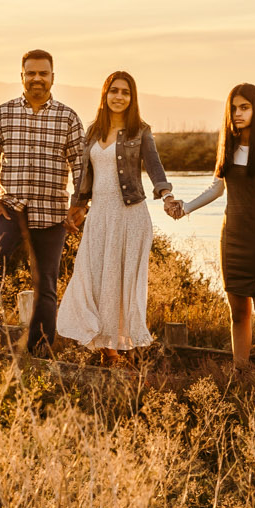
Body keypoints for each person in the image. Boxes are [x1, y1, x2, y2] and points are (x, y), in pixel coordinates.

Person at [166, 84, 255, 372]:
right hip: (232, 239)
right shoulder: (228, 145)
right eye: (234, 108)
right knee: (238, 313)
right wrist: (185, 209)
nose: (238, 113)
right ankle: (241, 374)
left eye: (244, 107)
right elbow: (216, 188)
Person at [58, 70, 173, 363]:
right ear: (105, 94)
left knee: (124, 282)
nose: (119, 97)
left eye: (125, 92)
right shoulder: (93, 131)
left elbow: (155, 167)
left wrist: (167, 196)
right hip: (100, 216)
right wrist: (78, 207)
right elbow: (84, 177)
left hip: (130, 215)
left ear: (132, 98)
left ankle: (119, 350)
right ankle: (106, 346)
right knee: (94, 278)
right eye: (114, 91)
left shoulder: (141, 131)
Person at [0, 49, 84, 355]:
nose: (37, 78)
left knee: (46, 284)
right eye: (31, 73)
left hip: (51, 213)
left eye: (43, 73)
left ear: (53, 77)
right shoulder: (4, 113)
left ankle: (40, 350)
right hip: (11, 208)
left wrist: (78, 204)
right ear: (22, 76)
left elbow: (80, 166)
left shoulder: (68, 117)